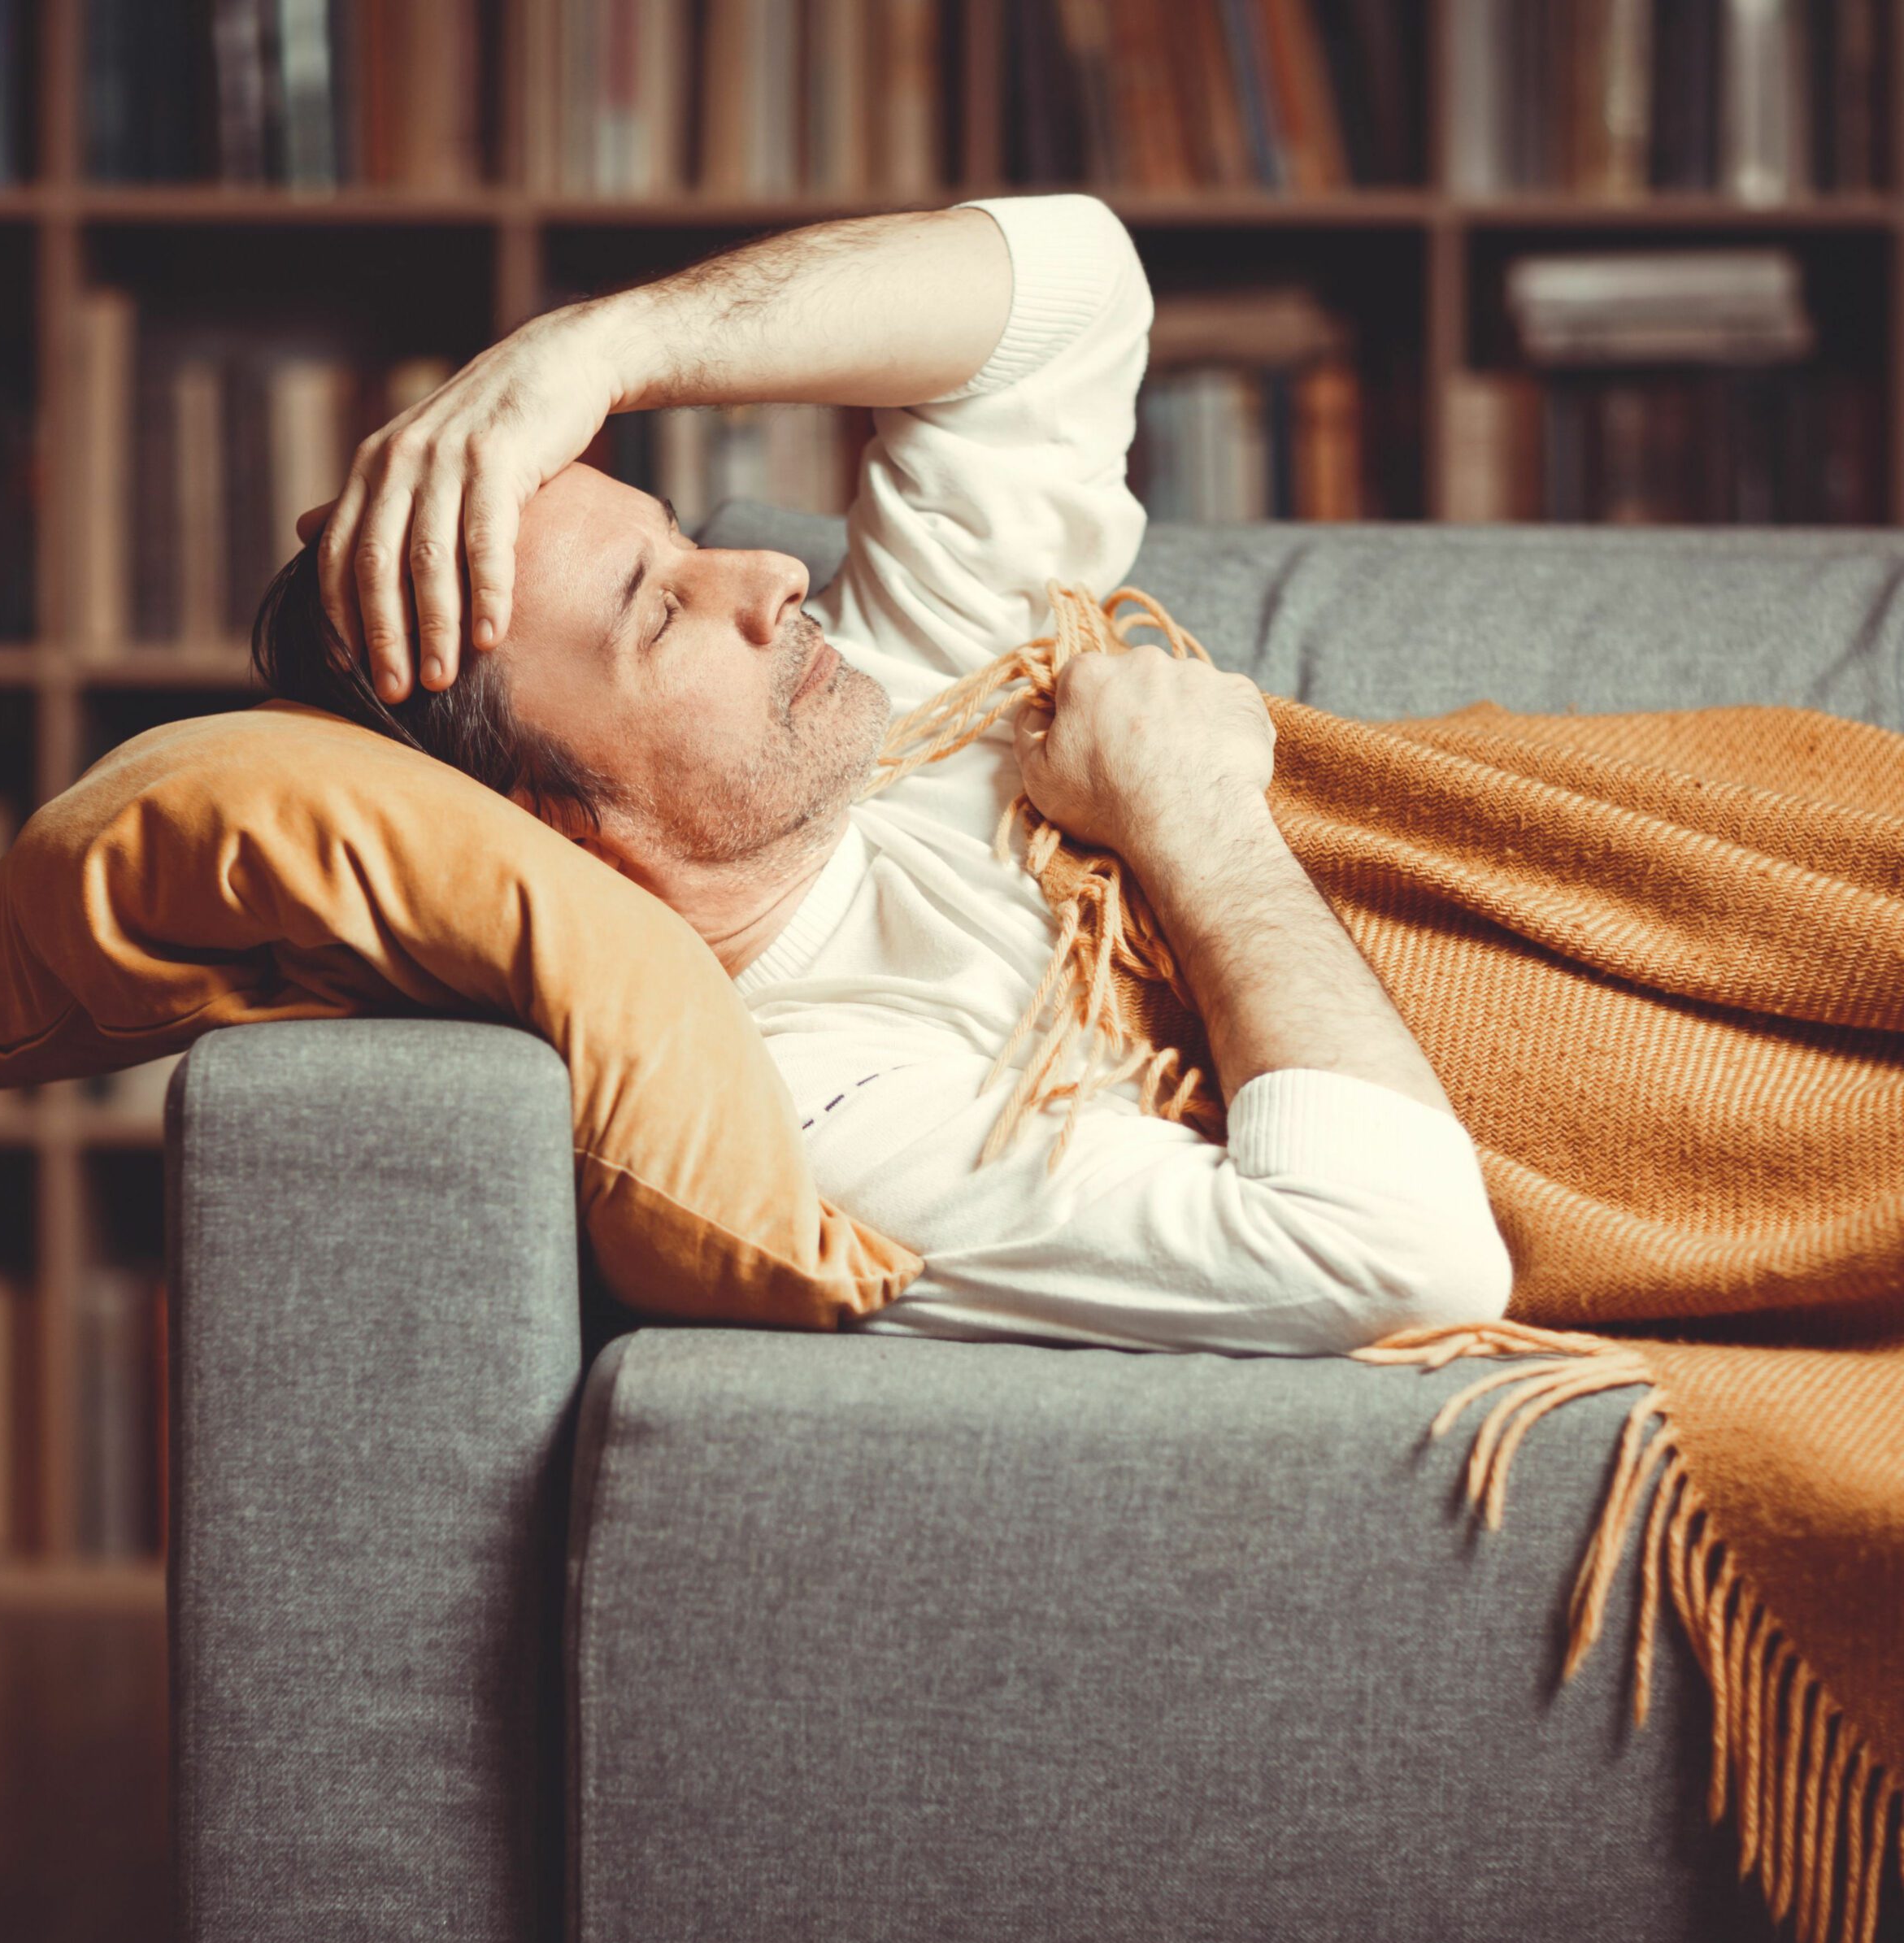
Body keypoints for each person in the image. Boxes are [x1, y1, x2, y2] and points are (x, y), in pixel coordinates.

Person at [259, 193, 1514, 1353]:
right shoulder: (811, 1109)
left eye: (683, 539)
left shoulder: (896, 698)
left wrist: (597, 350)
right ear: (555, 827)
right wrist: (1196, 818)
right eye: (660, 612)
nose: (770, 577)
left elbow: (1073, 287)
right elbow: (1399, 1255)